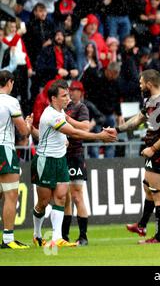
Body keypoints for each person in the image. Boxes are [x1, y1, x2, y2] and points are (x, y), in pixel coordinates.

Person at [27, 79, 116, 247]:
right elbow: (74, 133)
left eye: (68, 94)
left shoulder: (60, 113)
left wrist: (36, 131)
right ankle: (37, 234)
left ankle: (57, 238)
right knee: (43, 203)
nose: (67, 98)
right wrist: (100, 137)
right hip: (45, 161)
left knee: (60, 197)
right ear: (53, 98)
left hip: (61, 160)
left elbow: (65, 132)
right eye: (64, 95)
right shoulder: (51, 114)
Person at [114, 69, 160, 244]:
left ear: (149, 84)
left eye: (142, 83)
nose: (140, 86)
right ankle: (142, 225)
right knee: (148, 188)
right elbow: (139, 119)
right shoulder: (151, 101)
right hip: (155, 151)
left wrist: (153, 148)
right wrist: (118, 129)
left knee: (158, 194)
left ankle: (159, 237)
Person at [0, 70, 30, 249]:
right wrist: (27, 123)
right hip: (4, 148)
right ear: (10, 82)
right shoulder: (10, 102)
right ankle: (8, 239)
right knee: (11, 194)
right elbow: (24, 131)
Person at [61, 81, 91, 246]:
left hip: (75, 155)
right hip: (62, 155)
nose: (71, 93)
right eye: (69, 90)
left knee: (77, 195)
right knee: (64, 197)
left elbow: (85, 127)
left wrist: (67, 119)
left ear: (81, 92)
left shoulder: (81, 108)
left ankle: (83, 236)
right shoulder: (61, 107)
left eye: (75, 90)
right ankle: (64, 237)